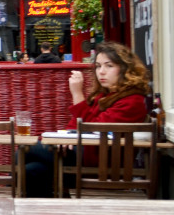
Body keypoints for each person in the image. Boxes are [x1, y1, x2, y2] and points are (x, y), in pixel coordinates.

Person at [25, 41, 150, 197]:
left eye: (109, 66)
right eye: (98, 66)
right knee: (31, 170)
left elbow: (94, 127)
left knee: (26, 149)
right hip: (85, 155)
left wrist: (77, 94)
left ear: (125, 69)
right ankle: (47, 214)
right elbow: (76, 123)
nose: (101, 72)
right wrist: (67, 136)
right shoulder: (103, 95)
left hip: (102, 164)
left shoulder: (132, 100)